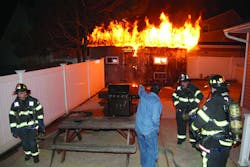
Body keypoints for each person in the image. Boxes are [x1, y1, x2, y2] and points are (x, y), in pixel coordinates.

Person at [190, 74, 235, 167]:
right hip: (227, 142)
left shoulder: (213, 102)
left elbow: (199, 121)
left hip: (214, 143)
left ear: (213, 88)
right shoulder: (230, 100)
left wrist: (193, 128)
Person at [9, 83, 45, 163]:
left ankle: (35, 155)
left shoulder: (34, 101)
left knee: (32, 142)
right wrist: (14, 130)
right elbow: (12, 118)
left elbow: (40, 112)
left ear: (26, 92)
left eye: (22, 92)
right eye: (18, 93)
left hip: (32, 127)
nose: (20, 94)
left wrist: (40, 126)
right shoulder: (15, 105)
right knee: (25, 143)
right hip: (21, 129)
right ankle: (28, 154)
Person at [172, 73, 204, 147]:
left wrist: (193, 104)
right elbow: (174, 97)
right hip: (181, 111)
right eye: (182, 82)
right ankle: (181, 139)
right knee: (181, 125)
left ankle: (193, 141)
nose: (183, 83)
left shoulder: (194, 88)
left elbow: (200, 96)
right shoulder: (178, 89)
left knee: (192, 126)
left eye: (184, 82)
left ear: (188, 82)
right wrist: (177, 105)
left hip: (192, 112)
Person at [135, 84, 162, 167]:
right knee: (151, 151)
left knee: (143, 149)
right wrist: (157, 129)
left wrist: (141, 85)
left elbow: (140, 90)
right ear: (159, 92)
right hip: (149, 131)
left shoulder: (143, 96)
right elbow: (155, 119)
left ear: (150, 89)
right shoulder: (157, 102)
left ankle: (144, 164)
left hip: (138, 128)